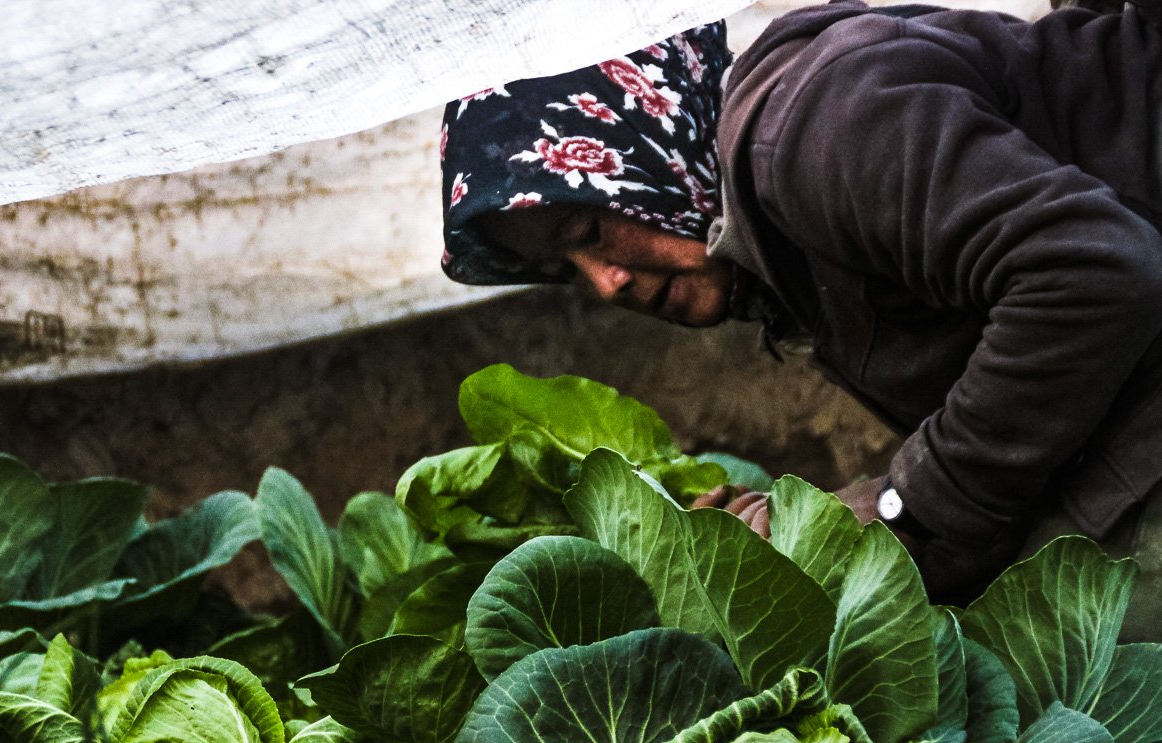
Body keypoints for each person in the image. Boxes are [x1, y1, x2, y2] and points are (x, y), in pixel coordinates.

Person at [438, 2, 1162, 633]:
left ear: (647, 138)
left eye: (588, 233)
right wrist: (808, 528)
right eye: (567, 271)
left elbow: (1094, 272)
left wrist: (901, 512)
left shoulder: (814, 132)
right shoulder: (768, 231)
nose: (606, 283)